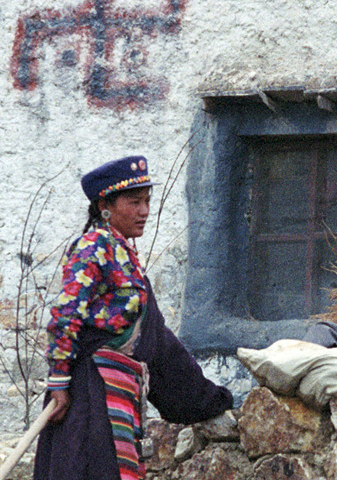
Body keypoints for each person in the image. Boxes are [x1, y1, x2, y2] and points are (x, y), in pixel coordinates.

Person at [34, 156, 233, 480]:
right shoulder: (93, 246)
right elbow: (65, 314)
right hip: (90, 391)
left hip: (118, 390)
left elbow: (157, 340)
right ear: (105, 206)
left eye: (147, 201)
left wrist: (206, 399)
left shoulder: (124, 252)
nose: (144, 211)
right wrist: (59, 382)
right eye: (134, 202)